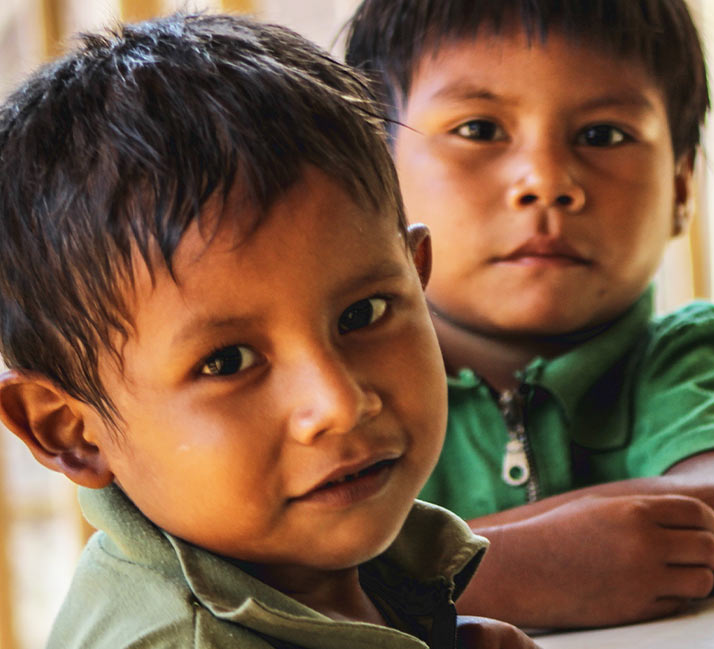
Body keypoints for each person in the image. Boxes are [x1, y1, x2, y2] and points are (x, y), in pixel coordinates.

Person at [0, 14, 534, 649]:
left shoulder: (326, 572)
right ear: (70, 430)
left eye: (361, 315)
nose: (338, 404)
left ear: (418, 279)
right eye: (227, 362)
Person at [342, 0, 714, 629]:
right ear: (375, 174)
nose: (545, 179)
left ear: (681, 188)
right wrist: (504, 568)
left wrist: (385, 582)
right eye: (479, 129)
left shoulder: (688, 356)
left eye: (603, 135)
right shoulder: (337, 386)